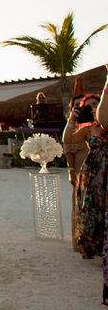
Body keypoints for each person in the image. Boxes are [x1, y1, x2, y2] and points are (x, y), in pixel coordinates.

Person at [62, 92, 106, 303]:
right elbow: (68, 141)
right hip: (92, 174)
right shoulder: (88, 129)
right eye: (88, 106)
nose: (92, 107)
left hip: (104, 175)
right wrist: (72, 119)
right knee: (92, 213)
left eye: (95, 104)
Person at [63, 78, 87, 252]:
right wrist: (71, 170)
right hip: (78, 168)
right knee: (78, 204)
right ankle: (78, 242)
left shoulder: (94, 124)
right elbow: (68, 148)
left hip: (94, 167)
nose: (80, 107)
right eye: (76, 105)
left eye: (82, 105)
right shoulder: (71, 126)